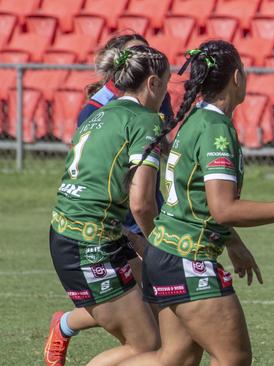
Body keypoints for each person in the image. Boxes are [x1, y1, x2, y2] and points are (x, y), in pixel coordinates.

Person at [121, 40, 274, 366]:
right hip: (187, 259)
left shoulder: (198, 120)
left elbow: (201, 203)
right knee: (234, 358)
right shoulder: (216, 128)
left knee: (175, 358)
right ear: (236, 78)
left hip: (164, 255)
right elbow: (223, 208)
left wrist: (233, 242)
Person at [44, 33, 177, 366]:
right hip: (89, 243)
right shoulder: (146, 120)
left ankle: (64, 325)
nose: (166, 92)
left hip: (82, 233)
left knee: (158, 302)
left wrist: (130, 236)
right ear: (152, 83)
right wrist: (159, 246)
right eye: (166, 84)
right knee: (146, 346)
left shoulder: (105, 112)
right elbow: (142, 203)